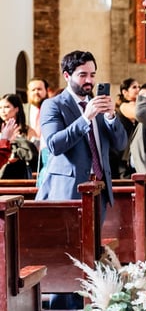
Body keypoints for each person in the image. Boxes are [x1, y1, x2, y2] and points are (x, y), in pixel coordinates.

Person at [36, 50, 126, 210]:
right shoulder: (53, 105)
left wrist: (111, 116)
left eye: (92, 75)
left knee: (96, 236)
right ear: (66, 76)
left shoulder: (98, 106)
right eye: (83, 75)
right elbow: (55, 145)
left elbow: (120, 145)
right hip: (68, 190)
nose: (89, 80)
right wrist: (85, 118)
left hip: (100, 189)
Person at [0, 93, 39, 179]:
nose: (2, 111)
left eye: (6, 107)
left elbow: (35, 154)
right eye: (0, 108)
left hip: (21, 173)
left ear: (16, 109)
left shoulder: (27, 130)